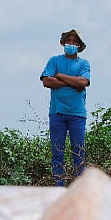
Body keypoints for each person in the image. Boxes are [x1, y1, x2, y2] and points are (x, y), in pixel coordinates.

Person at [40, 29, 91, 186]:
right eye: (69, 41)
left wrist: (60, 76)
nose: (71, 44)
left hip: (77, 114)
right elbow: (46, 81)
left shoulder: (84, 63)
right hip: (57, 113)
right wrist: (73, 82)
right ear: (63, 43)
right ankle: (58, 187)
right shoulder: (54, 61)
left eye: (75, 42)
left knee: (78, 153)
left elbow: (83, 83)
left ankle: (79, 188)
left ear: (79, 45)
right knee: (57, 153)